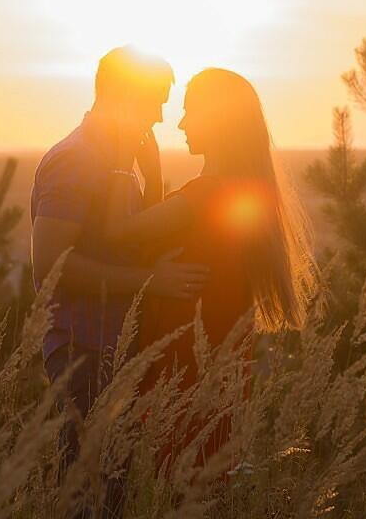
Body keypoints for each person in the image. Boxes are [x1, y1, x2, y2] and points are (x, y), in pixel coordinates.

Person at [103, 67, 317, 471]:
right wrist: (153, 175)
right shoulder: (237, 188)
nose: (181, 123)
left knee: (174, 479)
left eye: (189, 111)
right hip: (221, 361)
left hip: (188, 365)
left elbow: (119, 231)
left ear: (217, 122)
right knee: (204, 479)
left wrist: (119, 157)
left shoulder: (206, 193)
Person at [30, 46, 212, 519]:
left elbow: (128, 242)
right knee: (88, 498)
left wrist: (151, 178)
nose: (157, 117)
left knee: (112, 497)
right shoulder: (76, 159)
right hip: (82, 353)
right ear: (119, 96)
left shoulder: (117, 158)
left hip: (114, 351)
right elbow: (50, 267)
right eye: (152, 103)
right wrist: (151, 283)